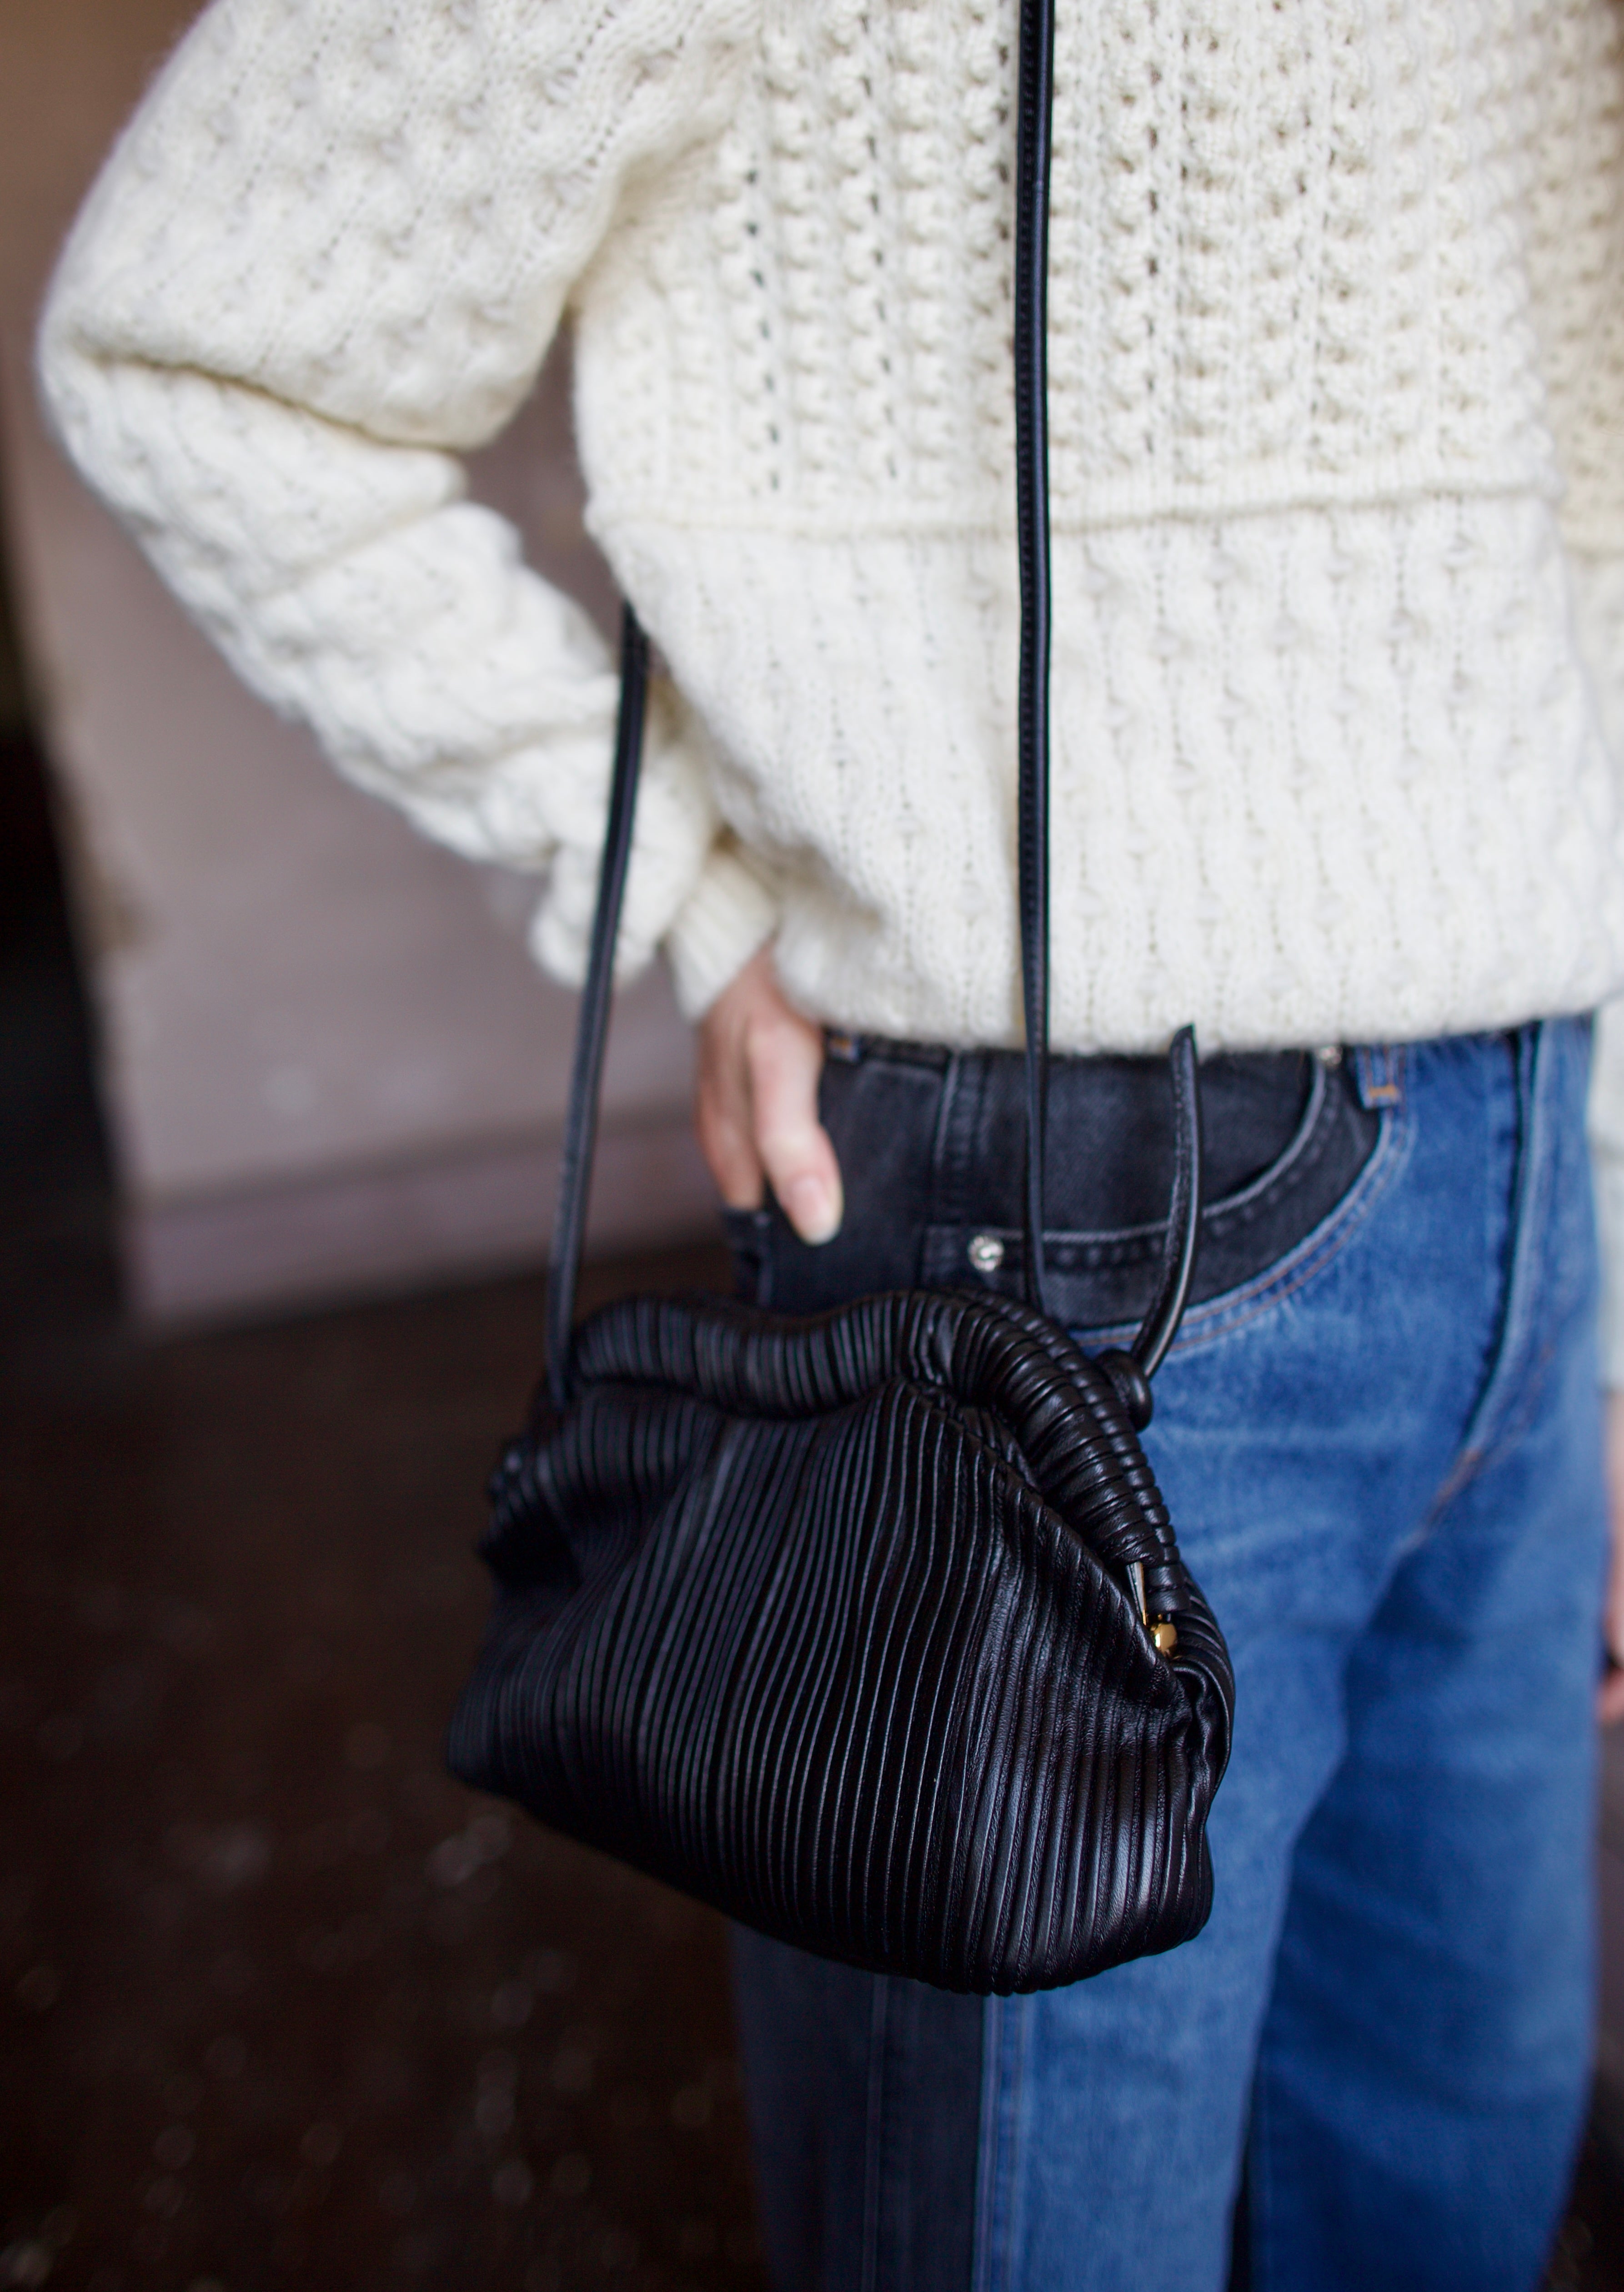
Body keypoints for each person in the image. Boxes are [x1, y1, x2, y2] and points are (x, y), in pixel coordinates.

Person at [36, 1, 1624, 2284]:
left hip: (1536, 1162)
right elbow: (200, 350)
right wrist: (683, 897)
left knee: (1447, 2197)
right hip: (1062, 1241)